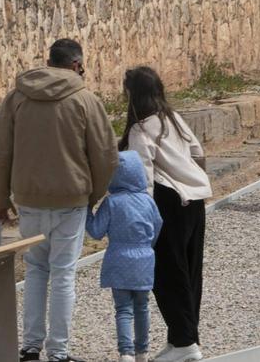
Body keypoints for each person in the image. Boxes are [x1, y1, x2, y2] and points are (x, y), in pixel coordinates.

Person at [0, 38, 118, 362]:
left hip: (29, 198)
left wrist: (0, 197)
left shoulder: (17, 97)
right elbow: (105, 154)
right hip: (70, 199)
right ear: (77, 64)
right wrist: (95, 194)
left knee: (35, 270)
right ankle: (58, 351)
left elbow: (0, 151)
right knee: (63, 274)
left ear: (49, 61)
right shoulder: (85, 100)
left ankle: (31, 347)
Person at [120, 66, 211, 362]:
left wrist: (142, 221)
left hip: (168, 201)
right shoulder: (173, 119)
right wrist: (191, 177)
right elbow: (198, 153)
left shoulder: (141, 129)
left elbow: (142, 178)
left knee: (168, 274)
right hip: (195, 197)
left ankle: (185, 341)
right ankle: (184, 338)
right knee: (189, 270)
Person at [86, 151, 163, 362]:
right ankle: (143, 352)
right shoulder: (148, 202)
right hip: (145, 258)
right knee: (142, 306)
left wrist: (86, 210)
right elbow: (157, 226)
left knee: (123, 310)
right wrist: (147, 247)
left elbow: (96, 231)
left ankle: (126, 352)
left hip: (118, 258)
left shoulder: (112, 203)